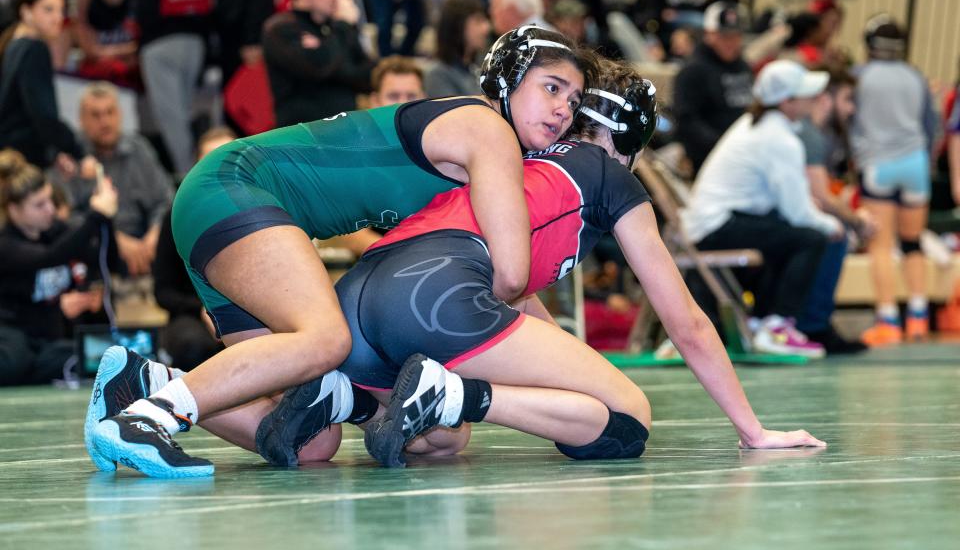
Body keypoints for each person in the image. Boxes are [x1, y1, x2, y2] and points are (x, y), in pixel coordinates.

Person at [250, 58, 825, 469]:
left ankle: (344, 398)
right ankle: (452, 392)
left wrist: (572, 367)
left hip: (360, 295)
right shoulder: (608, 175)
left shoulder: (517, 163)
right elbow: (687, 323)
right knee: (625, 420)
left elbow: (520, 311)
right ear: (631, 143)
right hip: (435, 295)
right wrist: (753, 431)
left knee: (447, 441)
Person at [85, 25, 595, 478]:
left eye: (573, 103)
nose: (562, 110)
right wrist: (580, 378)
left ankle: (142, 383)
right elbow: (509, 277)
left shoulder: (481, 156)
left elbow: (509, 287)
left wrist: (575, 370)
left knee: (307, 442)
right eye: (552, 88)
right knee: (325, 339)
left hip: (220, 207)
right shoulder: (488, 130)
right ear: (507, 81)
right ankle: (148, 419)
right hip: (236, 187)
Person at [681, 60, 843, 358]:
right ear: (786, 101)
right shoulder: (779, 139)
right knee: (811, 239)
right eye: (805, 93)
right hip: (718, 226)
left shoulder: (758, 126)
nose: (814, 98)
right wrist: (832, 225)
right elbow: (799, 214)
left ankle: (763, 323)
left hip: (713, 222)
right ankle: (777, 325)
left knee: (786, 236)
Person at [853, 15, 940, 346]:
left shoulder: (861, 77)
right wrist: (926, 159)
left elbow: (849, 120)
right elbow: (931, 123)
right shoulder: (915, 76)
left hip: (879, 163)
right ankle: (918, 316)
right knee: (913, 242)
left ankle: (888, 319)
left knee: (880, 245)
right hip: (915, 163)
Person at [0, 148, 118, 386]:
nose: (51, 210)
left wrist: (108, 217)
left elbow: (109, 260)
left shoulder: (56, 230)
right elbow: (49, 257)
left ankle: (37, 369)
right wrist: (95, 216)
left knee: (101, 355)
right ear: (14, 210)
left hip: (50, 342)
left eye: (50, 200)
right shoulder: (6, 244)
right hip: (11, 336)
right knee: (14, 362)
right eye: (39, 205)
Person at [59, 82, 173, 277]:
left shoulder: (139, 149)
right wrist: (116, 240)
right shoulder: (71, 158)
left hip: (146, 245)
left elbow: (164, 200)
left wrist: (154, 236)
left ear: (120, 114)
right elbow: (65, 216)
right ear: (81, 120)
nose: (105, 122)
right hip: (95, 249)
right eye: (95, 115)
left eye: (110, 112)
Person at [794, 68, 872, 353]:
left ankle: (813, 321)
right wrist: (857, 220)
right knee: (835, 234)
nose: (852, 109)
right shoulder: (811, 134)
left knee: (834, 229)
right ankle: (814, 324)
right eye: (848, 99)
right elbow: (822, 196)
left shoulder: (815, 133)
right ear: (825, 99)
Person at [153, 127, 236, 371]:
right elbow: (163, 292)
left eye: (228, 157)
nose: (220, 168)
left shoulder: (261, 211)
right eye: (212, 160)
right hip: (192, 314)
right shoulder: (177, 216)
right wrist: (203, 309)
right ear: (197, 168)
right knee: (192, 345)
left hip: (248, 310)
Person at [263, 0, 375, 127]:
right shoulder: (280, 28)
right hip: (301, 135)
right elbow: (320, 67)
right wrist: (342, 28)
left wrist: (330, 55)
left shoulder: (337, 28)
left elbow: (368, 75)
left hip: (345, 130)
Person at [136, 0, 214, 177]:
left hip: (160, 46)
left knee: (172, 118)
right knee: (187, 111)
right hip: (195, 43)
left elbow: (144, 15)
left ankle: (187, 178)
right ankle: (201, 170)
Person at [0, 0, 88, 171]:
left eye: (62, 10)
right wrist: (78, 152)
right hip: (23, 159)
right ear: (26, 12)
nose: (58, 18)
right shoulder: (33, 49)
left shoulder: (11, 47)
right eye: (48, 10)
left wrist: (54, 152)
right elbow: (43, 114)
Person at [673, 1, 753, 175]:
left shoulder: (743, 67)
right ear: (709, 34)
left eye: (737, 36)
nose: (732, 42)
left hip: (744, 154)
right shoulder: (693, 71)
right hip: (710, 161)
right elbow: (686, 122)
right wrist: (723, 145)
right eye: (725, 36)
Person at [75, 0, 140, 89]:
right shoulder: (88, 6)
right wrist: (127, 50)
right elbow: (91, 51)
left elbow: (143, 45)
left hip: (133, 68)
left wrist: (111, 51)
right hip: (104, 73)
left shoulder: (138, 0)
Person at [424, 0, 490, 98]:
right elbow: (453, 112)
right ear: (458, 25)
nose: (486, 27)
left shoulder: (475, 68)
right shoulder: (438, 74)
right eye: (478, 21)